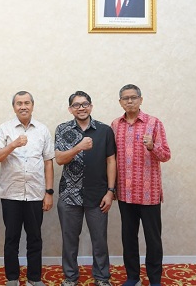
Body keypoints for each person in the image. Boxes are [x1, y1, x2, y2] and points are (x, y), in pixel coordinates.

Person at [0, 91, 55, 286]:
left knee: (35, 238)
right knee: (12, 238)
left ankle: (34, 278)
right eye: (19, 103)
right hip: (11, 194)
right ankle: (12, 278)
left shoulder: (42, 130)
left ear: (33, 106)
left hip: (36, 194)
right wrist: (13, 145)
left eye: (27, 103)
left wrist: (49, 193)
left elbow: (48, 163)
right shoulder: (5, 129)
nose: (23, 106)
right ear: (14, 107)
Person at [111, 84, 171, 286]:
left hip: (149, 193)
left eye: (133, 97)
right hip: (125, 193)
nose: (130, 101)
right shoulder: (115, 125)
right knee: (128, 238)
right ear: (120, 102)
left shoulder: (154, 123)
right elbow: (111, 158)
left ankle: (155, 279)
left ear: (141, 100)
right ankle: (133, 277)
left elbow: (166, 155)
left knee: (153, 239)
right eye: (125, 98)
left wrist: (152, 147)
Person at [54, 91, 116, 286]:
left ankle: (102, 277)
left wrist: (110, 191)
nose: (81, 107)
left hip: (98, 194)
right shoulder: (63, 129)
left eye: (85, 104)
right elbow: (59, 159)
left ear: (91, 106)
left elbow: (111, 161)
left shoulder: (104, 130)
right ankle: (70, 277)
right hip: (69, 195)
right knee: (70, 240)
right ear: (70, 109)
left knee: (99, 240)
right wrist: (78, 147)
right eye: (76, 105)